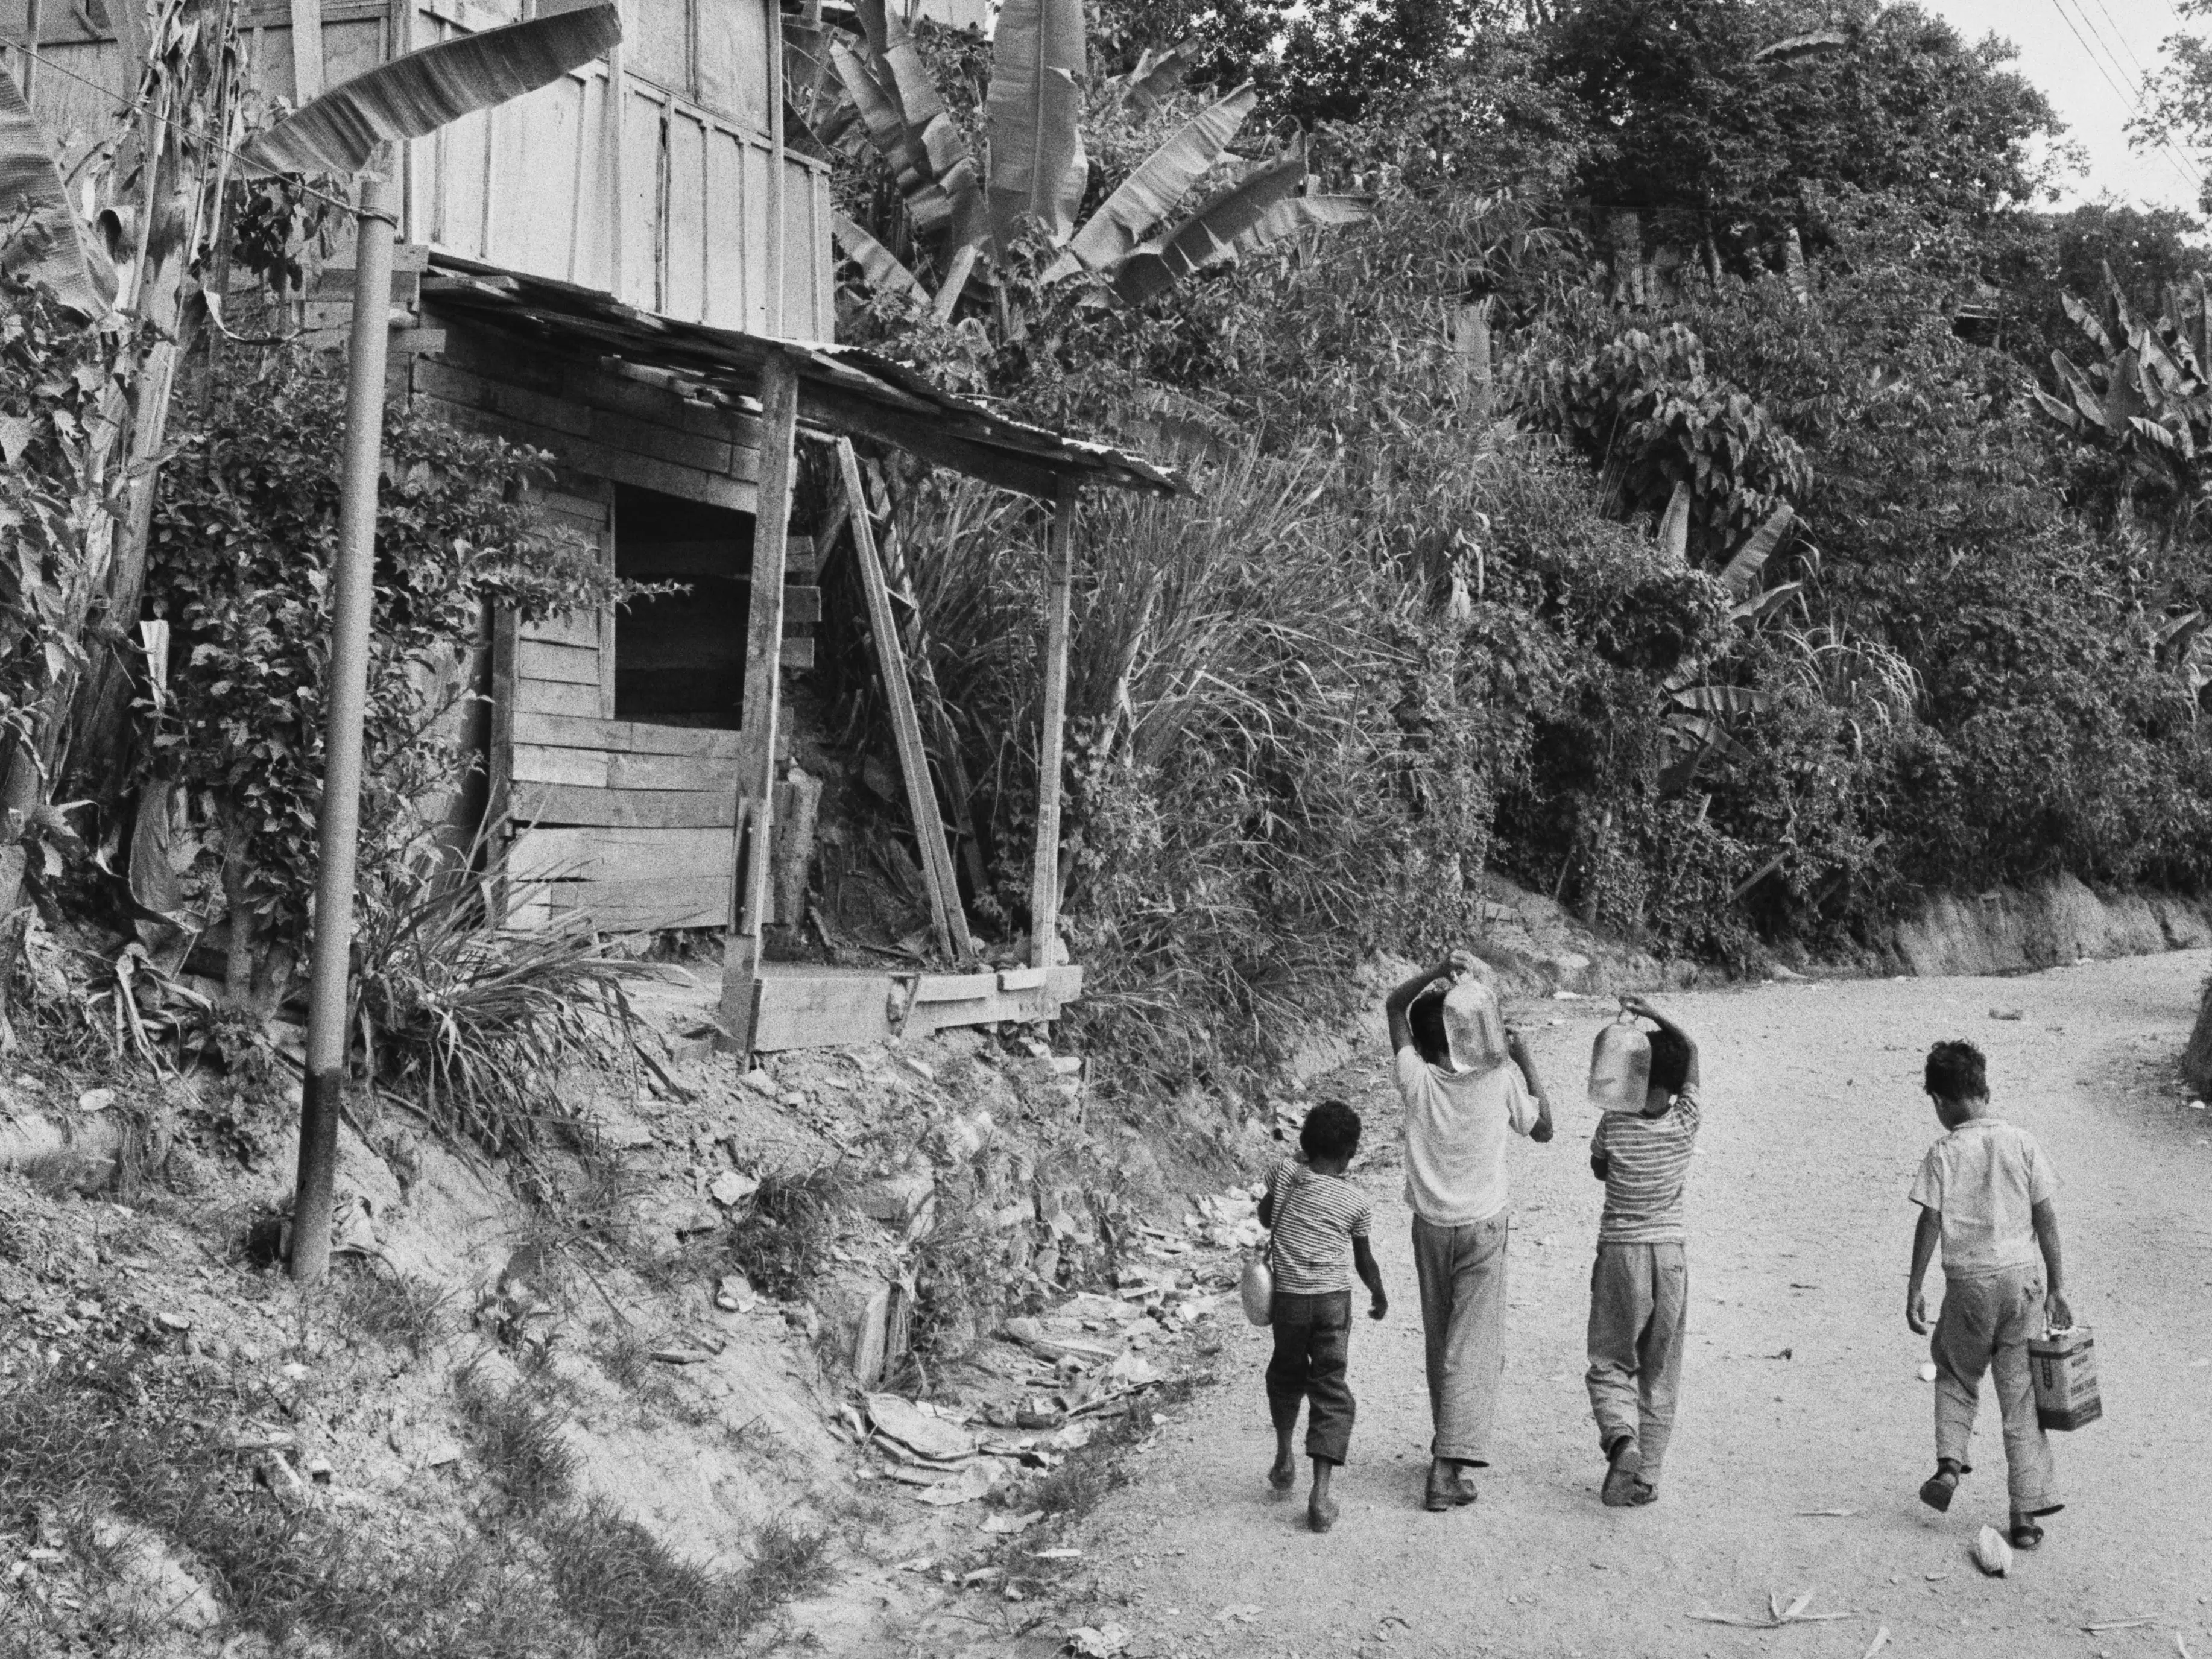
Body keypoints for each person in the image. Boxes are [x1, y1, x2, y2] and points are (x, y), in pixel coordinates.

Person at [1384, 950, 1555, 1512]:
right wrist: (1526, 1059)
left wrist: (1435, 971)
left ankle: (1446, 1444)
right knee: (1472, 1346)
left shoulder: (1416, 1078)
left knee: (1442, 1340)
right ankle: (1446, 1466)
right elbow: (1545, 1130)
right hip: (1483, 1225)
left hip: (1430, 1226)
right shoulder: (1499, 1078)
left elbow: (1394, 1005)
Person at [1906, 1040, 2071, 1551]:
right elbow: (2046, 1214)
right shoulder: (2022, 1141)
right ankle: (2024, 1516)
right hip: (2023, 1279)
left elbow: (1930, 1219)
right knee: (2022, 1398)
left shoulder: (1943, 1152)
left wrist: (1914, 1286)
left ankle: (1951, 1465)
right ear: (1985, 1089)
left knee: (1955, 1372)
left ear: (1939, 1101)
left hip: (1969, 1284)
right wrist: (2058, 1285)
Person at [1584, 993, 1701, 1508]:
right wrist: (1658, 1015)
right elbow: (1692, 1049)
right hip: (1670, 1256)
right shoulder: (1685, 1122)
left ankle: (1621, 1438)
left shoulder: (1614, 1122)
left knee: (1611, 1359)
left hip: (1621, 1253)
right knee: (1660, 1369)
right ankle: (1646, 1477)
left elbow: (1599, 1169)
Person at [1257, 1098, 1387, 1533]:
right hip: (1332, 1301)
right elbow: (1365, 1261)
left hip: (1290, 1302)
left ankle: (1283, 1456)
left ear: (1305, 1143)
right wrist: (1379, 1292)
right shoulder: (1355, 1200)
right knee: (1330, 1387)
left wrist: (1296, 1165)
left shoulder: (1284, 1174)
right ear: (1350, 1154)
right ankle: (1321, 1493)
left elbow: (1264, 1215)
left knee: (1286, 1374)